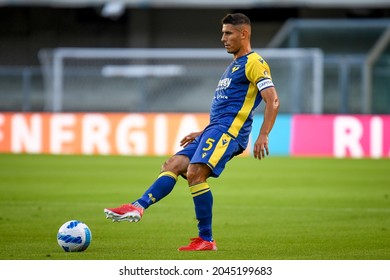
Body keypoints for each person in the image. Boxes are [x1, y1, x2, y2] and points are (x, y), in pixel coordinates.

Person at [104, 13, 280, 251]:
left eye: (228, 33)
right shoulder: (232, 67)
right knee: (173, 164)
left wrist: (263, 134)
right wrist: (203, 132)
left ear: (244, 33)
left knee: (196, 173)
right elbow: (229, 107)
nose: (223, 38)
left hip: (230, 133)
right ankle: (138, 205)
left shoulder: (254, 62)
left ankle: (206, 239)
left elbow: (273, 100)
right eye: (222, 33)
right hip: (214, 129)